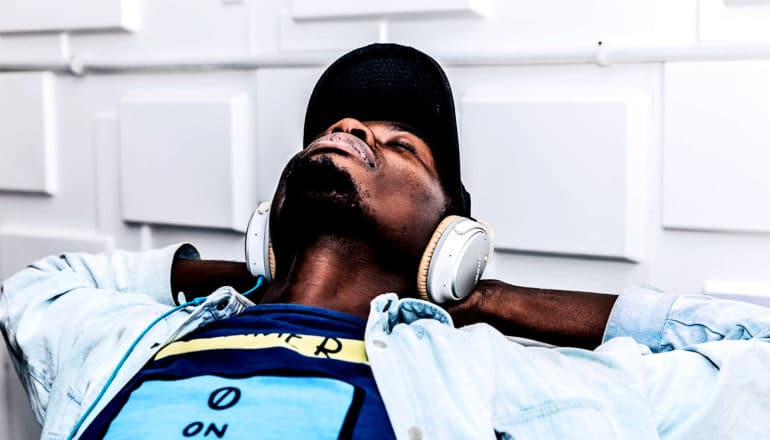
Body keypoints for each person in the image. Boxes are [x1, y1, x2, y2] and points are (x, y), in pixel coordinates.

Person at [2, 43, 769, 440]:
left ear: (450, 237)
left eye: (401, 145)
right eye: (339, 129)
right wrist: (261, 273)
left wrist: (487, 299)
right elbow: (37, 284)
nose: (350, 132)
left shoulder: (497, 382)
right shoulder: (138, 339)